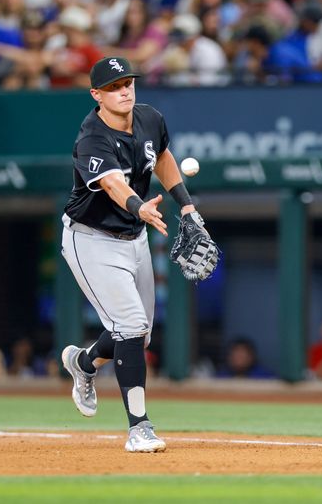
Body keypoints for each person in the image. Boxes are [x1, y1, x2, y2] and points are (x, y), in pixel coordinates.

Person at [60, 56, 214, 453]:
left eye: (127, 82)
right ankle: (139, 427)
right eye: (113, 86)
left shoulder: (150, 118)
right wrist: (138, 206)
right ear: (97, 95)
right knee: (129, 324)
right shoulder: (91, 137)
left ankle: (83, 363)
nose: (124, 89)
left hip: (134, 238)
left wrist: (187, 206)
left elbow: (161, 157)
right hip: (90, 239)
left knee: (138, 336)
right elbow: (111, 183)